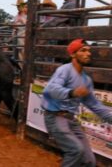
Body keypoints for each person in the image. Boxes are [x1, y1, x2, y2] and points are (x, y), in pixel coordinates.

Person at [41, 39, 112, 167]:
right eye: (83, 50)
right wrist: (72, 92)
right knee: (76, 150)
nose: (88, 53)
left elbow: (95, 105)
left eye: (89, 51)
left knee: (89, 161)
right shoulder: (65, 70)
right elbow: (50, 89)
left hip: (71, 120)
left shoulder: (86, 80)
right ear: (73, 54)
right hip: (55, 117)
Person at [12, 0, 27, 67]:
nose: (18, 8)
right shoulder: (16, 17)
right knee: (18, 57)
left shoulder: (27, 16)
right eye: (17, 6)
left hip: (24, 39)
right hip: (18, 39)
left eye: (19, 6)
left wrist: (22, 22)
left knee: (24, 56)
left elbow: (28, 26)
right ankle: (20, 72)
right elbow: (14, 27)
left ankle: (23, 72)